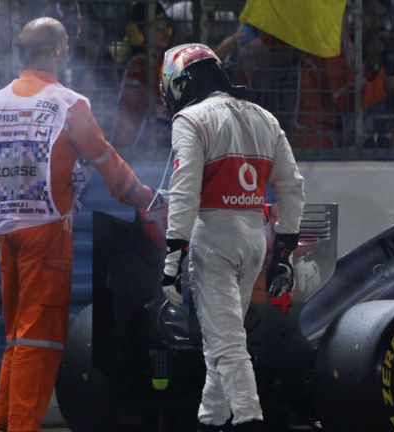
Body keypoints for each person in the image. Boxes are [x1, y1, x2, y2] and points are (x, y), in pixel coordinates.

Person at [0, 17, 154, 431]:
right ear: (58, 51)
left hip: (5, 233)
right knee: (39, 342)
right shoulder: (67, 104)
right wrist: (144, 196)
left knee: (17, 338)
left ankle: (5, 423)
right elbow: (109, 164)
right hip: (47, 236)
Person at [158, 44, 305, 431]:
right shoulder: (266, 118)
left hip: (214, 237)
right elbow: (293, 188)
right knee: (222, 341)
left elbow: (184, 191)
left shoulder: (190, 119)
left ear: (180, 83)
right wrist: (284, 254)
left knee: (225, 345)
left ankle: (249, 419)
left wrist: (173, 257)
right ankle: (210, 420)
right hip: (255, 238)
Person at [292, 0, 394, 148]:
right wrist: (385, 84)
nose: (376, 23)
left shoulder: (359, 44)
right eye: (371, 15)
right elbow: (347, 100)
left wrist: (374, 62)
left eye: (381, 17)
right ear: (358, 14)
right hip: (315, 138)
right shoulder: (335, 43)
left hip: (337, 135)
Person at [110, 2, 174, 152]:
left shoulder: (157, 59)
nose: (165, 30)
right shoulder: (139, 63)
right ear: (137, 32)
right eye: (158, 26)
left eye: (166, 24)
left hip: (144, 145)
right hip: (134, 148)